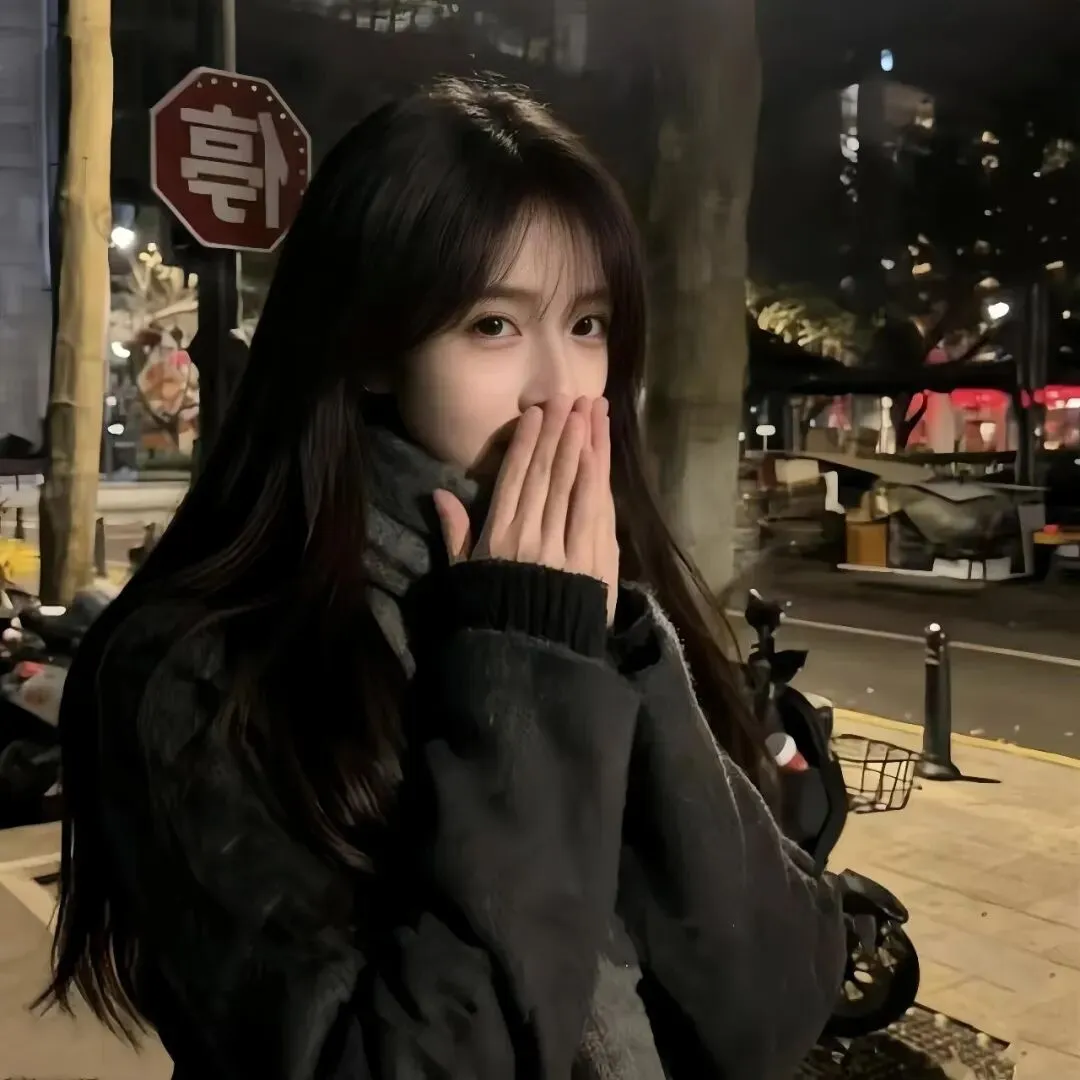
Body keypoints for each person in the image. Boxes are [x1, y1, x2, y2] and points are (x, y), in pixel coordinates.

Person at [39, 77, 846, 1079]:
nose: (560, 388)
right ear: (372, 348)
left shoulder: (620, 610)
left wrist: (617, 653)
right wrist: (529, 667)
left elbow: (773, 1009)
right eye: (493, 326)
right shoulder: (206, 668)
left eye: (589, 324)